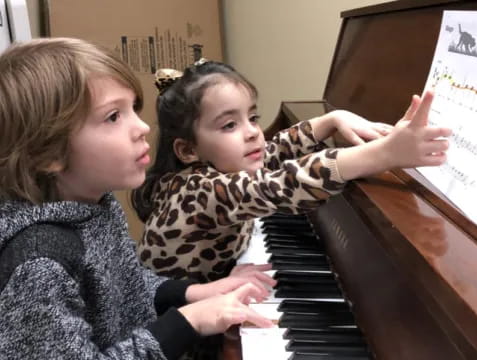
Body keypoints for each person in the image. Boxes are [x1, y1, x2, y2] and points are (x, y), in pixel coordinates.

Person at [0, 38, 276, 360]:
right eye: (113, 116)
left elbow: (123, 286)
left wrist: (191, 292)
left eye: (134, 109)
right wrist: (188, 321)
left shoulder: (93, 206)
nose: (143, 127)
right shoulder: (39, 263)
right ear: (48, 154)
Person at [131, 61, 451, 283]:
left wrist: (330, 120)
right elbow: (278, 185)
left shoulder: (218, 167)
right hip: (184, 334)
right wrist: (384, 153)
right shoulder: (196, 192)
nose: (253, 133)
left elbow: (274, 151)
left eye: (252, 118)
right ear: (188, 150)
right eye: (230, 125)